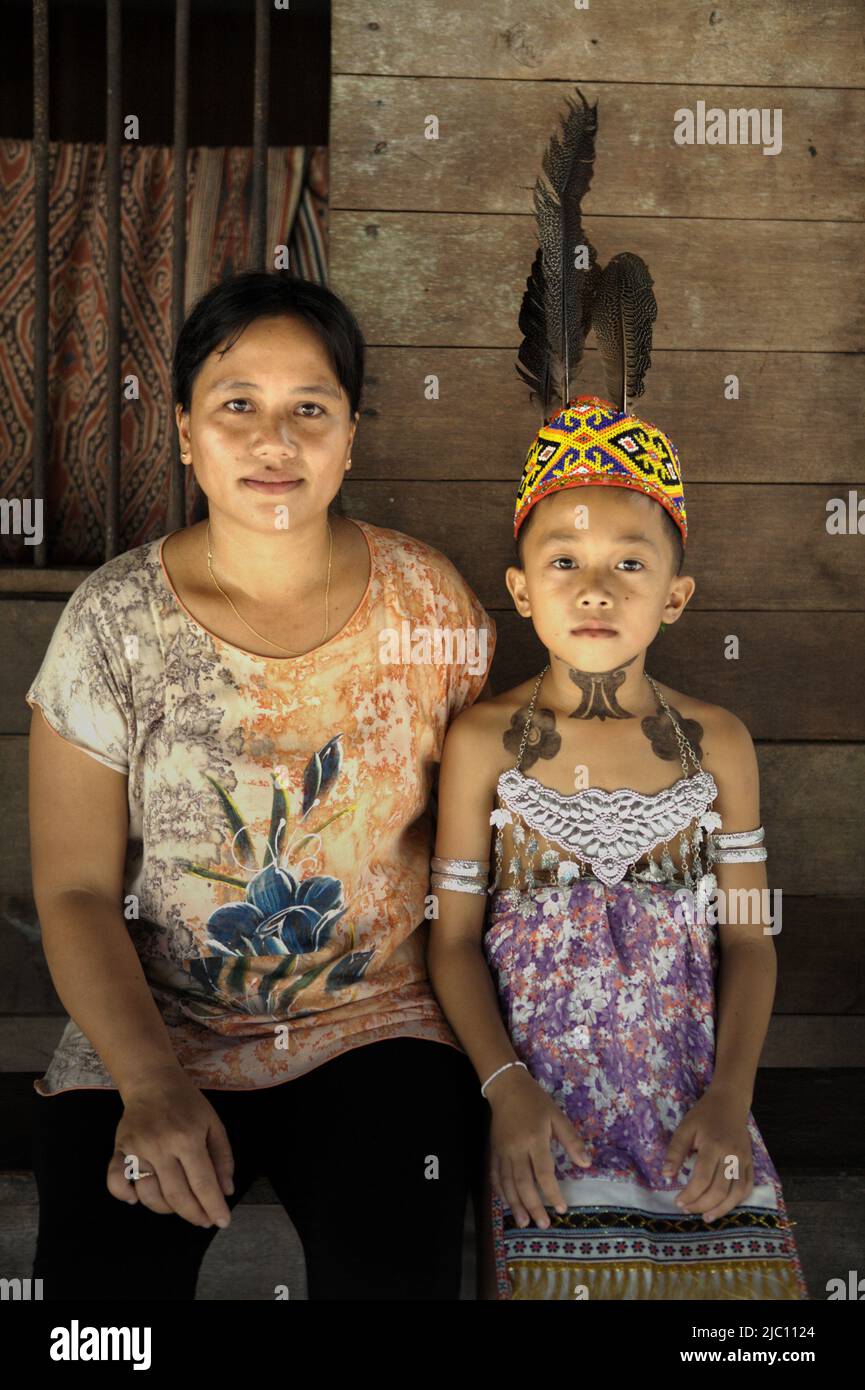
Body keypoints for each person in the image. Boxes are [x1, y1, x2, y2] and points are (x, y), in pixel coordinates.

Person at [26, 269, 496, 1300]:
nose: (273, 439)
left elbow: (480, 846)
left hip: (376, 1021)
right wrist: (149, 1083)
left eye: (309, 409)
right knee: (98, 1315)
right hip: (156, 1024)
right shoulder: (114, 623)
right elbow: (71, 891)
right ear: (186, 430)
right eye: (237, 404)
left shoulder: (430, 604)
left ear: (351, 435)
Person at [425, 90, 808, 1300]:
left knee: (741, 1318)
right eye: (565, 562)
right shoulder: (486, 743)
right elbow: (447, 944)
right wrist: (504, 1089)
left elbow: (748, 942)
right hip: (536, 1114)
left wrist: (733, 1095)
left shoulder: (717, 745)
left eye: (630, 564)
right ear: (519, 591)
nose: (598, 586)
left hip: (695, 1103)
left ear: (678, 595)